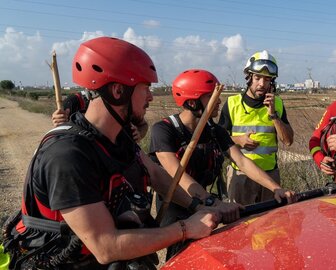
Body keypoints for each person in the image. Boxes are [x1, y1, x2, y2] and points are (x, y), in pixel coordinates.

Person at [2, 37, 220, 269]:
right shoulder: (67, 155)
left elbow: (155, 174)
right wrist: (185, 229)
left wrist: (200, 206)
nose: (151, 97)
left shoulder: (117, 136)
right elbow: (106, 246)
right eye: (146, 88)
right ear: (118, 91)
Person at [149, 69, 295, 258]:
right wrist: (213, 202)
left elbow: (241, 161)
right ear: (193, 102)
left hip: (204, 203)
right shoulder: (164, 130)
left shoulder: (214, 130)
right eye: (212, 96)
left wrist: (276, 188)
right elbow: (177, 174)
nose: (219, 101)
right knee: (180, 256)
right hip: (177, 204)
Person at [218, 50, 294, 205]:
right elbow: (218, 141)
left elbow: (288, 141)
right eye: (257, 77)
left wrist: (273, 115)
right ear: (249, 77)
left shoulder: (277, 104)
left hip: (270, 176)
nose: (261, 84)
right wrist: (238, 140)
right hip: (240, 175)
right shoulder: (232, 103)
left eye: (267, 79)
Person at [51, 90, 148, 142]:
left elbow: (143, 125)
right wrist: (58, 122)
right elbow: (62, 125)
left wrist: (139, 134)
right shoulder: (73, 101)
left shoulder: (119, 101)